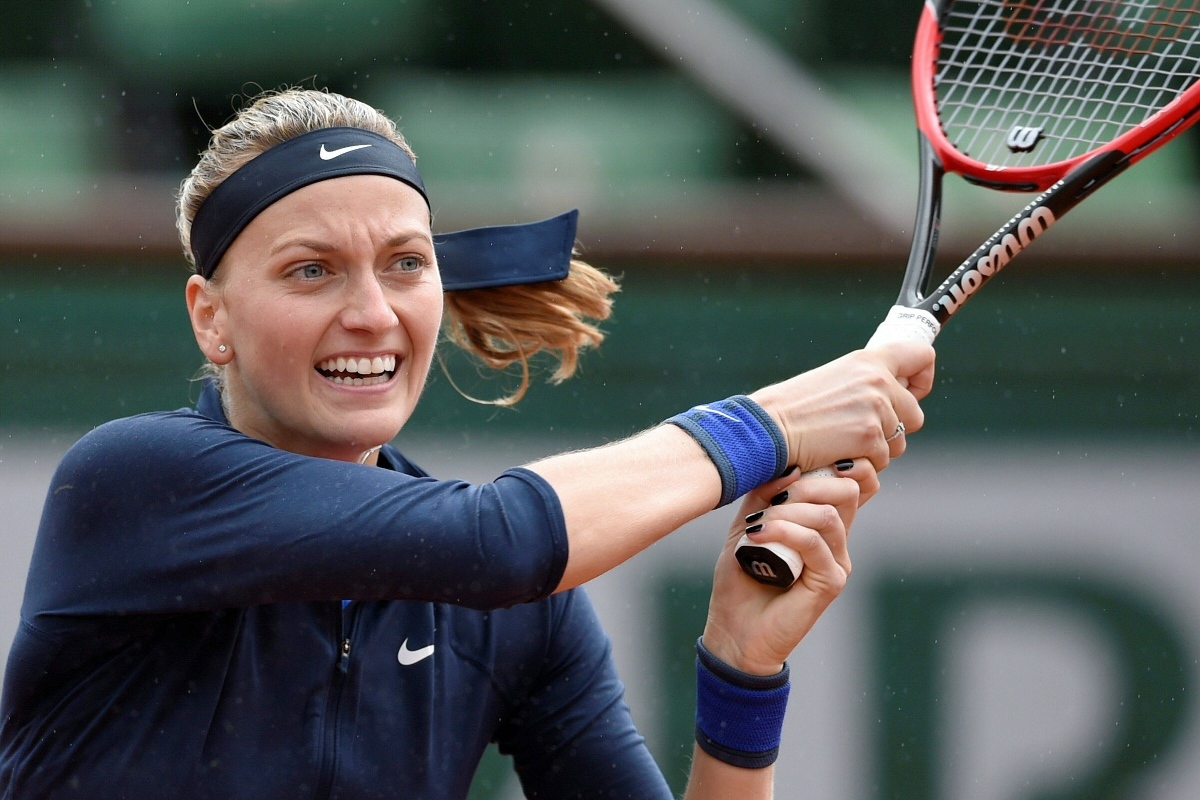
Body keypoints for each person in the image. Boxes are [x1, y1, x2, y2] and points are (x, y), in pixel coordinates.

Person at [0, 88, 934, 799]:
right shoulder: (129, 484)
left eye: (405, 264)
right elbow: (498, 541)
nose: (371, 315)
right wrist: (775, 422)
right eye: (311, 270)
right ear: (214, 320)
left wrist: (743, 663)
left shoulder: (518, 613)